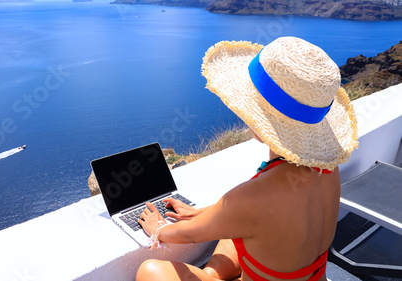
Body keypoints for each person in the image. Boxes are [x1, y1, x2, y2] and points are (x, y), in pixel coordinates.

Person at [135, 36, 359, 281]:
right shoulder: (327, 168)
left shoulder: (251, 199)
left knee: (150, 271)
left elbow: (189, 235)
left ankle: (211, 275)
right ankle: (212, 274)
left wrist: (159, 229)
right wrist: (203, 213)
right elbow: (266, 213)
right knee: (236, 231)